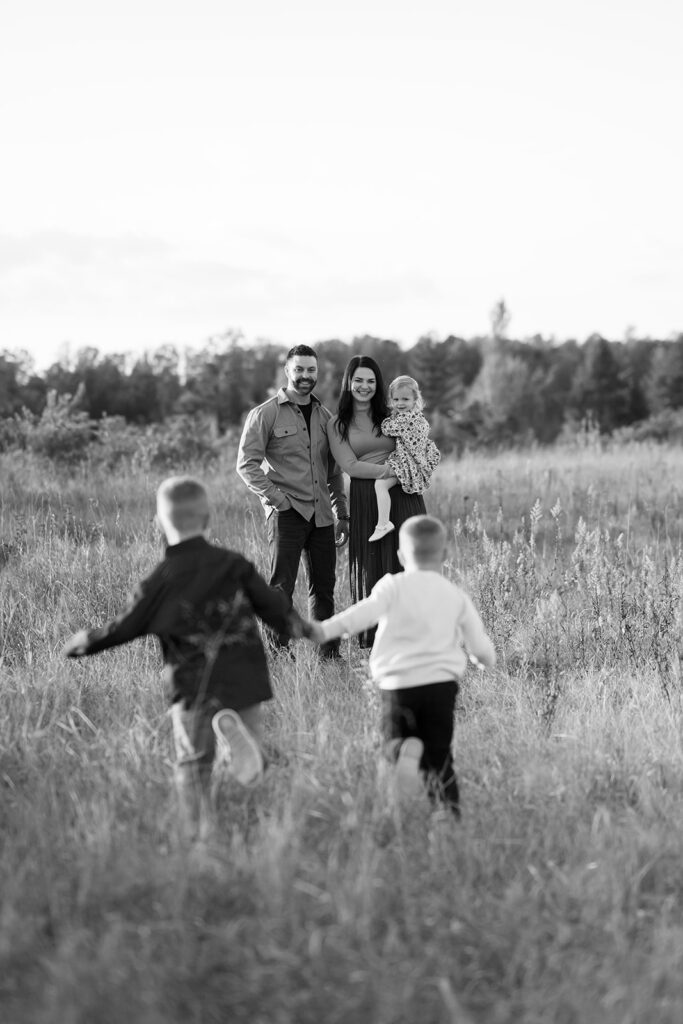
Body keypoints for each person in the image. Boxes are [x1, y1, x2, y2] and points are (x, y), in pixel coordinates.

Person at [63, 476, 301, 842]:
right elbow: (274, 606)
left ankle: (200, 838)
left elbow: (123, 627)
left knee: (193, 765)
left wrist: (83, 642)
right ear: (208, 518)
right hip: (246, 682)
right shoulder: (234, 564)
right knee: (248, 761)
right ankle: (249, 799)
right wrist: (302, 627)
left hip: (194, 689)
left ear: (159, 524)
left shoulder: (160, 580)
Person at [303, 515, 496, 816]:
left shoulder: (392, 586)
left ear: (402, 556)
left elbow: (361, 614)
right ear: (444, 555)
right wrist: (483, 660)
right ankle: (446, 814)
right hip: (440, 686)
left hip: (397, 684)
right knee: (439, 755)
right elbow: (481, 647)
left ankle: (398, 770)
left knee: (393, 744)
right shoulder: (454, 596)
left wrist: (324, 629)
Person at [236, 345, 349, 659]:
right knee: (281, 588)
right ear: (287, 371)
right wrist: (277, 500)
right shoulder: (265, 413)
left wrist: (342, 511)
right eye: (299, 369)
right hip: (286, 514)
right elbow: (246, 465)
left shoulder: (326, 417)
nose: (305, 376)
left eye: (311, 370)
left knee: (324, 588)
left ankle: (328, 654)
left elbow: (334, 471)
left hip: (323, 516)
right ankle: (278, 652)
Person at [326, 355, 427, 646]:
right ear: (348, 382)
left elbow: (416, 439)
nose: (364, 386)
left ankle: (414, 636)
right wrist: (391, 470)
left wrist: (414, 468)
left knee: (409, 562)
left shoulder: (392, 413)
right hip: (367, 498)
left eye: (371, 381)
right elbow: (350, 467)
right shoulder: (338, 425)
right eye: (358, 380)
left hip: (404, 494)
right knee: (373, 567)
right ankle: (376, 641)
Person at [369, 375, 441, 542]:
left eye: (405, 399)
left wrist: (387, 416)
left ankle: (383, 523)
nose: (400, 403)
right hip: (414, 466)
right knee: (382, 485)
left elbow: (386, 428)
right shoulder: (420, 419)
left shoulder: (405, 419)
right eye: (396, 399)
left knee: (380, 484)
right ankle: (384, 523)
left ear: (415, 399)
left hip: (406, 464)